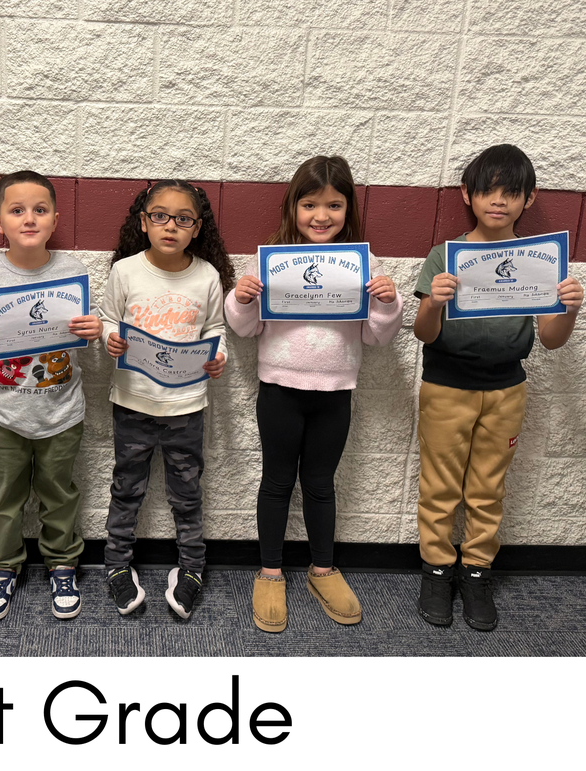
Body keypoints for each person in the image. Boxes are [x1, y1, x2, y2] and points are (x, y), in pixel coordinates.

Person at [225, 155, 402, 632]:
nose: (321, 216)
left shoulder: (363, 265)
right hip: (279, 389)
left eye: (334, 205)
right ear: (293, 207)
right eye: (309, 205)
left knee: (321, 484)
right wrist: (240, 299)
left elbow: (377, 336)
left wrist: (388, 304)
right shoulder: (270, 260)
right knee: (277, 482)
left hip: (335, 392)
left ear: (348, 210)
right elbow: (244, 328)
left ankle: (323, 569)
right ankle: (270, 572)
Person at [413, 144, 582, 630]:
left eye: (511, 193)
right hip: (446, 386)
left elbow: (550, 340)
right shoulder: (446, 255)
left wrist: (569, 310)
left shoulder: (538, 260)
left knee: (489, 487)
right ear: (467, 194)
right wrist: (433, 303)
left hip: (507, 388)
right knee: (440, 485)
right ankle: (437, 568)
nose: (499, 201)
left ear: (530, 199)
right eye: (488, 191)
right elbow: (423, 333)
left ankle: (476, 569)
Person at [0, 170, 102, 621]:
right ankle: (3, 566)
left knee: (60, 494)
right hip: (3, 411)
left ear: (55, 219)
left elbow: (83, 334)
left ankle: (62, 562)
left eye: (40, 210)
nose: (29, 219)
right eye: (17, 210)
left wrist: (94, 329)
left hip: (61, 410)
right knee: (3, 499)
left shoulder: (73, 272)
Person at [100, 179, 231, 620]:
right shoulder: (125, 271)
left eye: (183, 219)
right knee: (126, 488)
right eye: (159, 216)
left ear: (197, 228)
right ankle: (117, 564)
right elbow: (107, 319)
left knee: (187, 492)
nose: (170, 226)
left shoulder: (207, 276)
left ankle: (192, 567)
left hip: (186, 406)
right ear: (144, 222)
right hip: (132, 402)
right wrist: (110, 339)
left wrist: (219, 356)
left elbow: (215, 328)